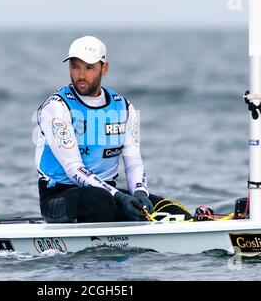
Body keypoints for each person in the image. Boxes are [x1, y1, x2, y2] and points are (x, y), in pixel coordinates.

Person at [35, 36, 191, 223]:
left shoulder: (124, 107)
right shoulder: (57, 107)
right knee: (101, 202)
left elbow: (133, 163)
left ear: (104, 68)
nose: (81, 75)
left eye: (89, 67)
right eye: (75, 67)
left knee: (169, 209)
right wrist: (118, 197)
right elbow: (74, 169)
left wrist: (140, 193)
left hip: (107, 192)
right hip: (58, 196)